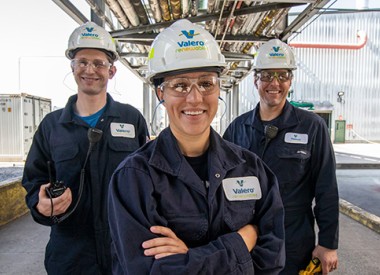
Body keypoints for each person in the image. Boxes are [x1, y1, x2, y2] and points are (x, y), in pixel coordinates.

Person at [108, 19, 285, 274]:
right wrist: (242, 240)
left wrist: (190, 258)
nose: (194, 98)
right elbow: (150, 270)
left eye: (205, 83)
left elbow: (272, 259)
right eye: (179, 85)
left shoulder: (251, 169)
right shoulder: (134, 178)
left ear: (218, 88)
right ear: (161, 93)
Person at [22, 21, 149, 275]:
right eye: (82, 62)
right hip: (71, 255)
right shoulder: (52, 126)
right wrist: (41, 203)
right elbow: (33, 181)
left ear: (111, 71)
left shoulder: (131, 119)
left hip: (123, 250)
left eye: (99, 63)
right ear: (72, 67)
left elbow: (147, 178)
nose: (90, 69)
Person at [223, 39, 339, 274]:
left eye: (282, 75)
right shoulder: (237, 128)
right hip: (246, 239)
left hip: (293, 242)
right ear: (255, 79)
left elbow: (326, 189)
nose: (274, 83)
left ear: (291, 80)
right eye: (266, 75)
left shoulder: (311, 127)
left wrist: (328, 244)